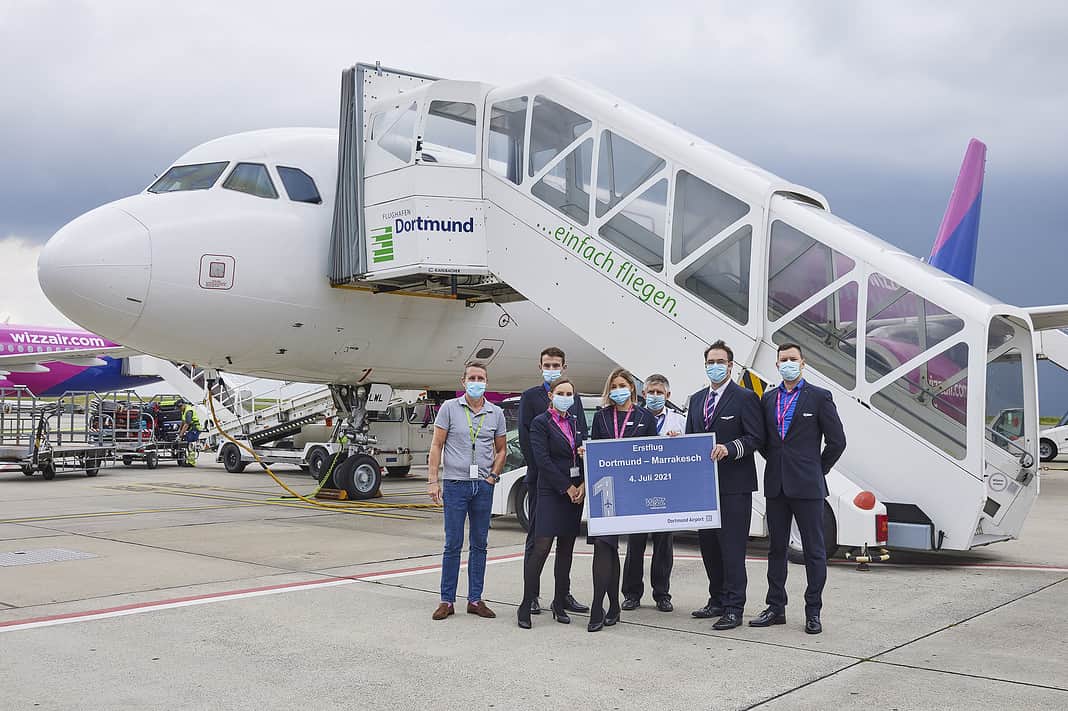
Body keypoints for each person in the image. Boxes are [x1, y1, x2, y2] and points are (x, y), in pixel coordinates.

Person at [751, 343, 846, 635]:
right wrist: (781, 463)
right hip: (777, 485)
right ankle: (775, 607)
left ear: (803, 363)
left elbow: (837, 441)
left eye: (793, 359)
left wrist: (817, 469)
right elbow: (766, 443)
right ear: (777, 365)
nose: (788, 363)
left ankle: (813, 610)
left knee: (814, 551)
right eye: (783, 360)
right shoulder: (767, 399)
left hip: (808, 486)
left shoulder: (819, 397)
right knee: (776, 549)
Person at [685, 341, 766, 630]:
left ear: (730, 365)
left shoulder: (745, 397)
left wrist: (730, 448)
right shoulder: (695, 400)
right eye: (710, 362)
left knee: (732, 549)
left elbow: (756, 438)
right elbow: (690, 442)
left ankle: (734, 607)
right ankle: (716, 599)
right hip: (705, 489)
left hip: (734, 487)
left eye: (720, 361)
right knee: (709, 547)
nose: (715, 366)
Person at [427, 361, 508, 621]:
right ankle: (446, 600)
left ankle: (475, 599)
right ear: (463, 382)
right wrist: (432, 480)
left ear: (487, 382)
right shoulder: (449, 409)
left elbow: (502, 449)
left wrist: (493, 476)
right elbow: (437, 444)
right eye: (472, 377)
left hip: (482, 486)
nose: (477, 382)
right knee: (453, 544)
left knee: (480, 544)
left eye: (481, 378)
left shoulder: (495, 413)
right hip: (455, 484)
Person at [517, 346, 589, 616]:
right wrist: (557, 481)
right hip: (543, 482)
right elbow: (528, 442)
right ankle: (531, 596)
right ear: (540, 366)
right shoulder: (531, 399)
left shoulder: (574, 402)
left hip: (572, 486)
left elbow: (580, 438)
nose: (552, 368)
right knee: (538, 542)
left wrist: (579, 481)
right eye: (547, 365)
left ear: (564, 366)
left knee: (566, 544)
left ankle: (563, 596)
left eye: (556, 364)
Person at [587, 367, 658, 632]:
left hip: (633, 492)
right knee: (603, 546)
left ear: (631, 388)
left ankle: (614, 603)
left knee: (615, 549)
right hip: (606, 491)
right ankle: (599, 605)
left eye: (622, 385)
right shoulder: (602, 417)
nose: (618, 390)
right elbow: (595, 450)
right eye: (614, 386)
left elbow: (653, 453)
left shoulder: (645, 417)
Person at [620, 373, 687, 613]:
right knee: (635, 544)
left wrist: (678, 442)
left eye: (660, 393)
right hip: (639, 488)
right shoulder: (632, 417)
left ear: (668, 395)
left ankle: (662, 594)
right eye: (651, 392)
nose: (655, 396)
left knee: (663, 544)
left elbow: (689, 454)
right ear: (643, 394)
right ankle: (631, 593)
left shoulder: (679, 421)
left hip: (666, 489)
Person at [177, 400, 201, 466]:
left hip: (195, 428)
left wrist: (180, 435)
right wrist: (180, 429)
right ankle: (190, 461)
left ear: (184, 404)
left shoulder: (188, 411)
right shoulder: (184, 411)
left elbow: (187, 424)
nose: (180, 408)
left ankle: (191, 462)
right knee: (189, 444)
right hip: (192, 428)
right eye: (179, 407)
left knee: (191, 444)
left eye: (181, 406)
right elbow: (183, 421)